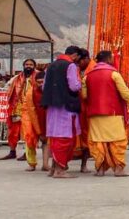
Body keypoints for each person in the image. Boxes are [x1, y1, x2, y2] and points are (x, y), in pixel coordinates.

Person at [83, 50, 129, 177]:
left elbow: (84, 95)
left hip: (95, 114)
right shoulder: (114, 74)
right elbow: (125, 92)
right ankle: (118, 169)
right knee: (116, 141)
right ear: (108, 60)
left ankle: (100, 169)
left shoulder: (87, 76)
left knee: (98, 142)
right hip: (113, 112)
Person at [41, 46, 83, 178]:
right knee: (64, 138)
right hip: (66, 106)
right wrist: (81, 83)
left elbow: (44, 86)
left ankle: (53, 168)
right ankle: (60, 170)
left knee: (54, 137)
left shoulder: (50, 66)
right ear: (75, 56)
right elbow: (74, 86)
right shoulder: (70, 66)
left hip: (52, 107)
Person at [1, 59, 37, 161]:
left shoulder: (38, 76)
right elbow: (7, 87)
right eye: (26, 64)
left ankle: (28, 153)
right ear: (23, 66)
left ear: (34, 66)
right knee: (13, 131)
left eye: (31, 64)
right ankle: (12, 152)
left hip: (31, 109)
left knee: (29, 132)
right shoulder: (17, 78)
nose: (28, 66)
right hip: (17, 108)